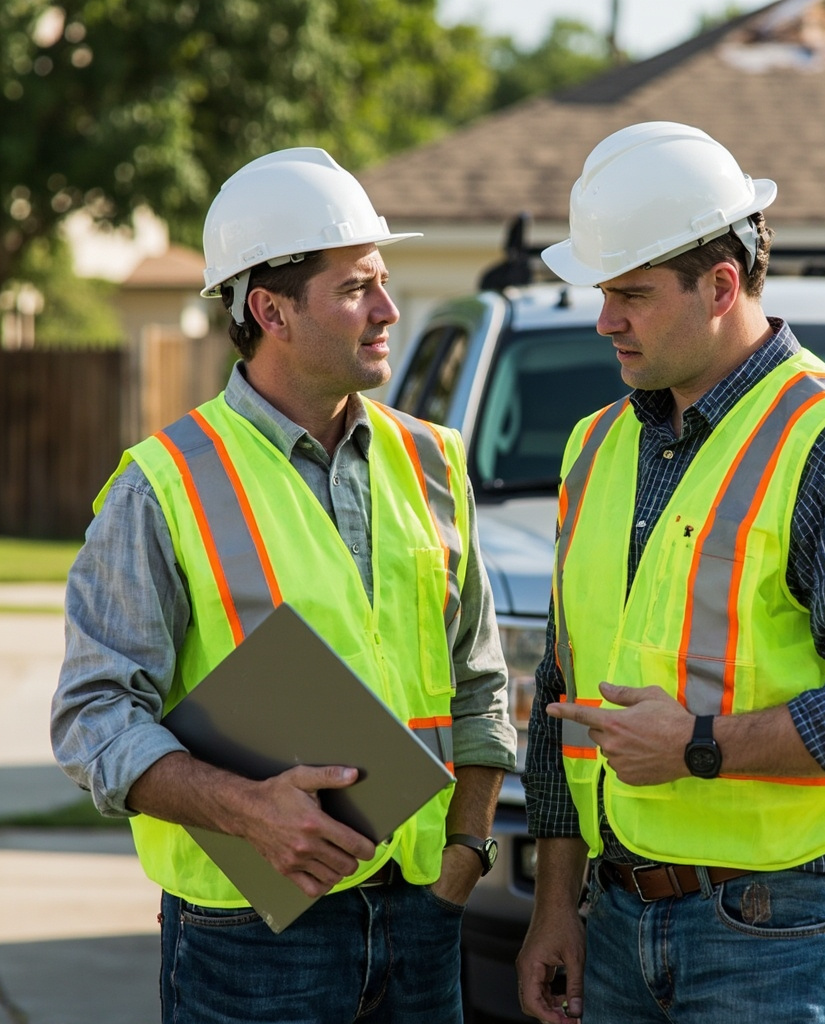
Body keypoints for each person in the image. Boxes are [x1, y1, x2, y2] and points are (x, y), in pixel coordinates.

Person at [515, 122, 825, 1024]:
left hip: (784, 935)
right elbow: (564, 698)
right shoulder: (596, 446)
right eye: (604, 292)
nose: (605, 320)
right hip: (616, 926)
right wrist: (555, 904)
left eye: (632, 295)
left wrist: (698, 744)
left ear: (722, 285)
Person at [51, 147, 517, 1024]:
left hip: (424, 914)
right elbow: (92, 718)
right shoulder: (163, 485)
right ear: (269, 310)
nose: (388, 311)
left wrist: (465, 854)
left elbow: (479, 683)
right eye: (354, 289)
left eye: (383, 281)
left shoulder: (432, 460)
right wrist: (250, 812)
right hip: (250, 940)